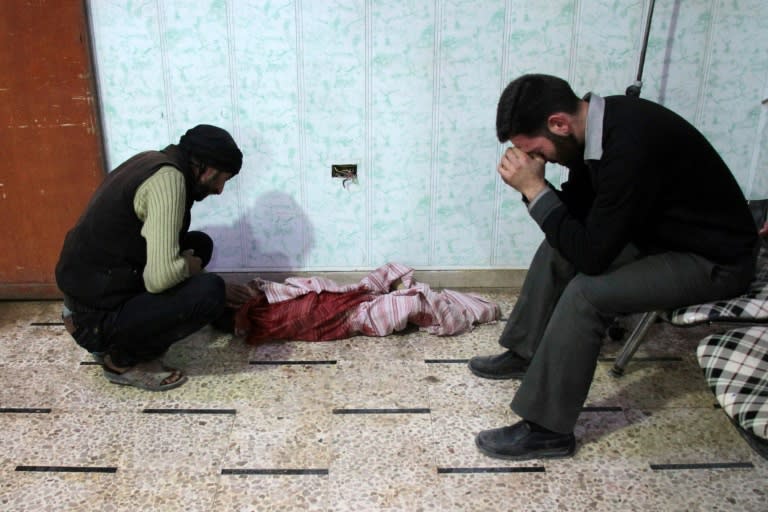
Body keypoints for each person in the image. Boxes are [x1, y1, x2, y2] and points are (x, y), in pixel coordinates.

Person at [470, 74, 759, 460]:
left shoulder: (631, 145)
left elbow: (593, 258)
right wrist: (536, 194)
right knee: (558, 248)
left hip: (713, 260)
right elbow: (576, 220)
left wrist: (535, 190)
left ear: (558, 124)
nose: (537, 159)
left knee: (587, 295)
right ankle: (527, 352)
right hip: (659, 239)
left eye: (534, 149)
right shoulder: (596, 133)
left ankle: (548, 431)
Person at [56, 124, 254, 391]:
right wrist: (194, 271)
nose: (219, 190)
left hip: (94, 294)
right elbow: (159, 279)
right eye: (221, 179)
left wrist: (194, 271)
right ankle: (122, 360)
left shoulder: (153, 161)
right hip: (91, 319)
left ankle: (122, 335)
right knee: (209, 291)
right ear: (204, 168)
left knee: (199, 244)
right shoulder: (169, 181)